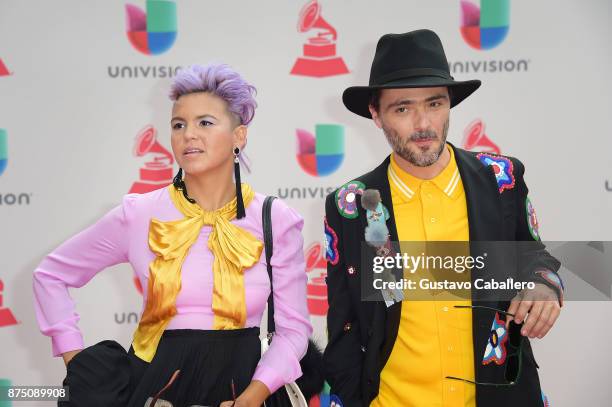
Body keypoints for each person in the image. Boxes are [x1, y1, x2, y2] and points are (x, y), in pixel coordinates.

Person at [33, 63, 312, 407]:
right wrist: (79, 365)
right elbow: (51, 275)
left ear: (239, 136)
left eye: (205, 123)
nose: (188, 135)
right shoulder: (139, 214)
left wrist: (254, 396)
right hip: (154, 388)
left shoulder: (276, 219)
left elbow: (294, 331)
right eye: (179, 125)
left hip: (244, 389)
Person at [322, 30, 563, 407]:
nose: (423, 124)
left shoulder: (501, 179)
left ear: (449, 102)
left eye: (434, 104)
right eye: (402, 108)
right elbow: (345, 326)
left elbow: (536, 257)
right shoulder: (352, 205)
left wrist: (545, 285)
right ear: (375, 113)